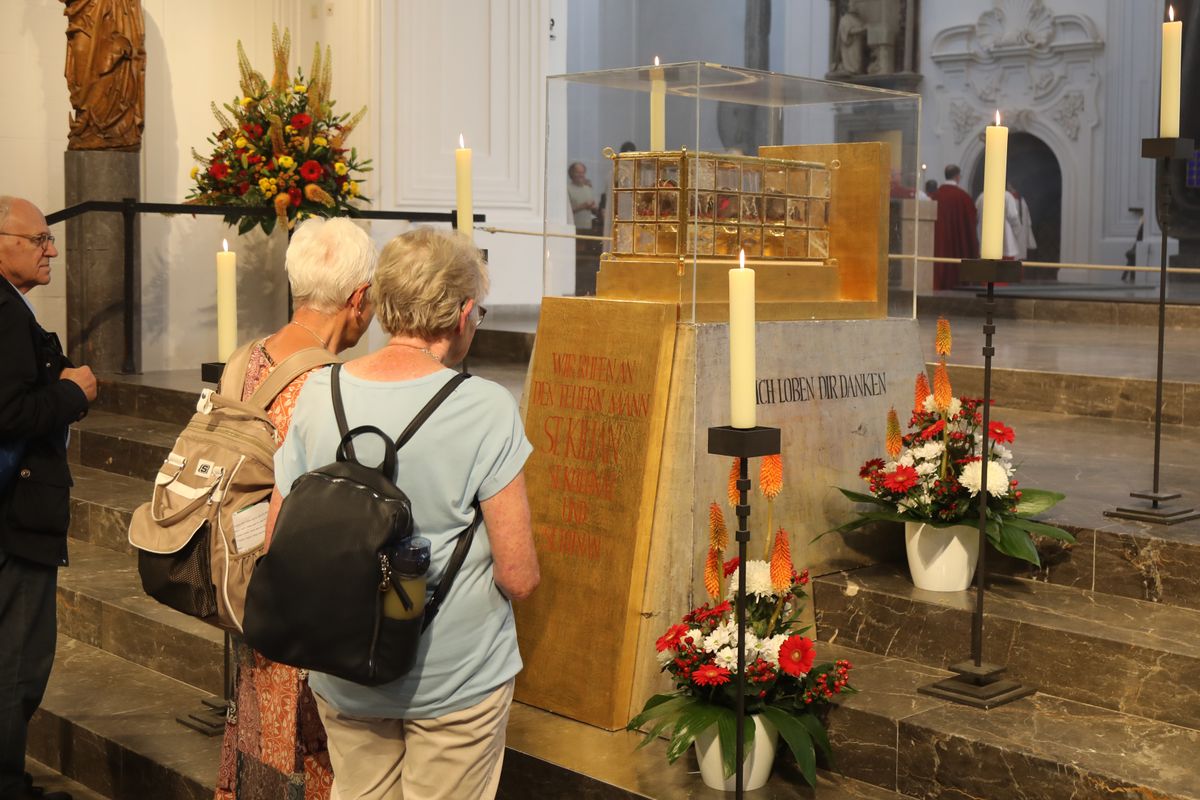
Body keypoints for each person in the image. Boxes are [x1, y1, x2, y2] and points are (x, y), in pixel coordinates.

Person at [269, 228, 539, 800]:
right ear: (463, 312)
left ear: (380, 300)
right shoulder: (485, 407)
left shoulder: (318, 391)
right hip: (454, 678)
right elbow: (517, 575)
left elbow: (277, 544)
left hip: (342, 663)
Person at [215, 217, 378, 800]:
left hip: (244, 580)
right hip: (303, 602)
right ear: (358, 299)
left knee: (259, 738)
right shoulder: (336, 385)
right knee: (314, 756)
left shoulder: (245, 358)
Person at [0, 196, 97, 800]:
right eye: (38, 240)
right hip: (14, 515)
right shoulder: (4, 313)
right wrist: (74, 393)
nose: (52, 249)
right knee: (17, 664)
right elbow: (10, 413)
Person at [932, 165, 979, 289]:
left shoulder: (935, 196)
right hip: (957, 243)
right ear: (958, 177)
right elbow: (971, 222)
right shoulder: (964, 198)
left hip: (939, 243)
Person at [973, 184, 1023, 260]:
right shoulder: (1007, 196)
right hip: (1006, 244)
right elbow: (1013, 218)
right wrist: (1017, 234)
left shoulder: (982, 196)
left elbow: (975, 217)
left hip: (986, 244)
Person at [568, 161, 598, 231]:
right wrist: (582, 206)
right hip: (574, 228)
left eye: (583, 172)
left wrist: (594, 208)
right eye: (578, 172)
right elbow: (565, 212)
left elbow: (594, 210)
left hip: (588, 228)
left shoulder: (588, 189)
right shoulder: (567, 189)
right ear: (571, 174)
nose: (581, 175)